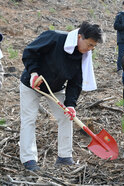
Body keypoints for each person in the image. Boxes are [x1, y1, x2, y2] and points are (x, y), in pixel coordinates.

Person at [20, 21, 104, 171]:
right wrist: (33, 73)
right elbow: (29, 52)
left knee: (67, 116)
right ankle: (29, 159)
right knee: (29, 119)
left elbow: (76, 82)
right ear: (80, 37)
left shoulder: (83, 56)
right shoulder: (54, 38)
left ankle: (64, 157)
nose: (90, 49)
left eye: (93, 47)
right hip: (32, 83)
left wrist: (70, 104)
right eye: (90, 44)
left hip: (56, 88)